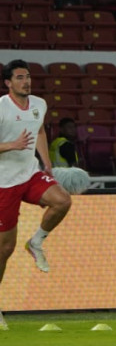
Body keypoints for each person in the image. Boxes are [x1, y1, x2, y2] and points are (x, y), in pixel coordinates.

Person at [0, 60, 72, 329]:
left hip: (30, 174)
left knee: (62, 200)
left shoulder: (39, 104)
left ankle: (36, 242)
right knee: (4, 249)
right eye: (20, 78)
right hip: (3, 183)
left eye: (28, 77)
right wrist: (12, 145)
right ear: (8, 82)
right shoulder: (1, 108)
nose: (26, 82)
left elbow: (39, 130)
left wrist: (47, 163)